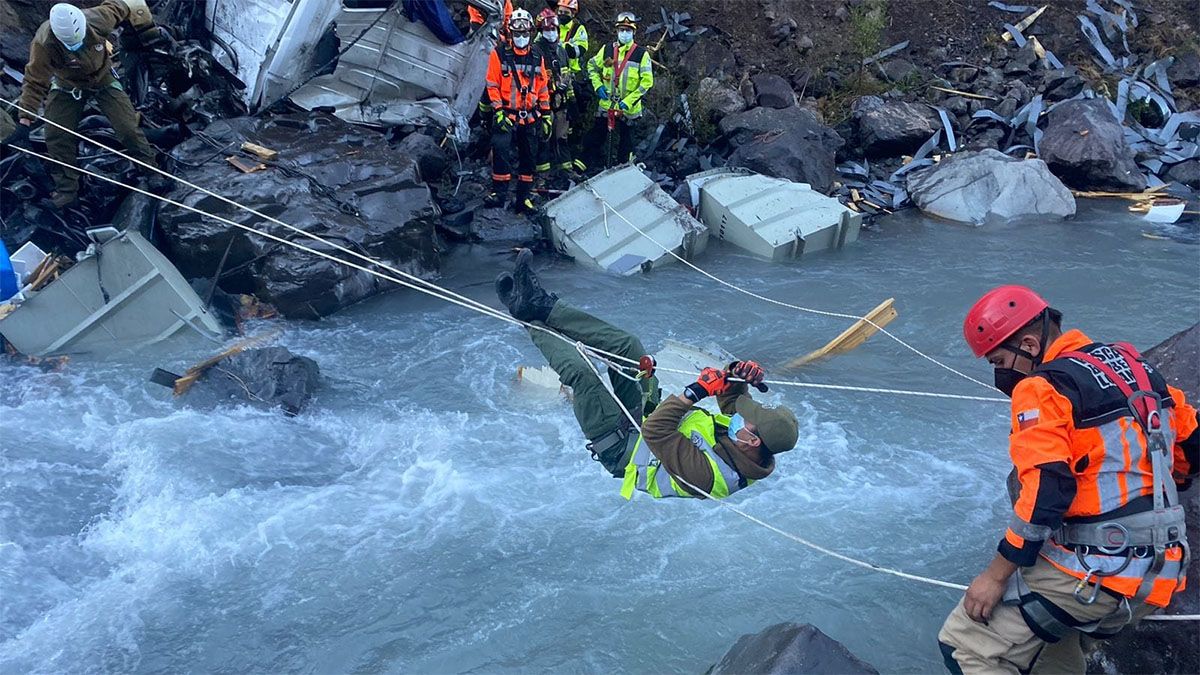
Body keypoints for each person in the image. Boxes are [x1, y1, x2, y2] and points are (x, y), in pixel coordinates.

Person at [938, 285, 1198, 674]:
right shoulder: (1137, 368)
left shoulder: (1041, 388)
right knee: (1050, 654)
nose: (999, 373)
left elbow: (1046, 492)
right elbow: (1191, 452)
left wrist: (994, 576)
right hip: (1163, 572)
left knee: (964, 646)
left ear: (1029, 344)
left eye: (999, 361)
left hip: (1097, 571)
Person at [495, 249, 799, 497]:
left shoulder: (711, 476)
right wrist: (739, 374)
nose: (742, 417)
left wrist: (696, 391)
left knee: (583, 375)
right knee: (629, 347)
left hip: (624, 448)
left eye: (749, 419)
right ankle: (541, 305)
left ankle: (527, 318)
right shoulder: (749, 440)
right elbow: (732, 404)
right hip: (646, 420)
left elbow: (656, 432)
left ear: (752, 441)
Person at [18, 1, 166, 209]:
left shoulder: (99, 18)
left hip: (103, 78)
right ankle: (67, 191)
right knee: (56, 135)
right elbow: (35, 80)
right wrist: (25, 117)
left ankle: (152, 170)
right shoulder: (44, 43)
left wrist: (143, 32)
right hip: (68, 85)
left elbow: (126, 5)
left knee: (127, 128)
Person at [483, 8, 550, 214]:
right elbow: (492, 84)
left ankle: (524, 197)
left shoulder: (537, 56)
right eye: (517, 33)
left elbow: (543, 87)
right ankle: (499, 193)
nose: (521, 37)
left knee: (529, 158)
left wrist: (546, 114)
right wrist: (497, 110)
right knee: (501, 152)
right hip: (506, 113)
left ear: (531, 33)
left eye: (524, 33)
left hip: (530, 116)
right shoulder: (499, 54)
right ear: (510, 33)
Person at [583, 11, 653, 171]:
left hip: (629, 109)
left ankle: (623, 170)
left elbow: (647, 82)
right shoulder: (607, 49)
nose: (624, 33)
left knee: (627, 144)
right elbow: (592, 66)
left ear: (633, 32)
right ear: (617, 31)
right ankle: (585, 167)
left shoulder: (641, 54)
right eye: (622, 30)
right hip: (607, 105)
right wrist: (598, 85)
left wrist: (628, 102)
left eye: (628, 30)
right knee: (596, 136)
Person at [533, 9, 573, 189]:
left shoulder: (561, 51)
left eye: (553, 29)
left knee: (562, 137)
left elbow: (567, 74)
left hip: (561, 103)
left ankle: (566, 170)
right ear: (541, 31)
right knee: (544, 138)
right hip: (544, 104)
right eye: (547, 29)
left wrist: (571, 99)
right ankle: (542, 176)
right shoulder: (536, 51)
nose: (551, 33)